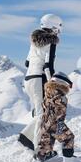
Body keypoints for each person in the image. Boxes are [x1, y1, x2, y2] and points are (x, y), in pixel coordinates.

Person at [18, 14, 62, 151]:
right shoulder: (52, 41)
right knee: (42, 115)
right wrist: (52, 84)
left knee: (41, 111)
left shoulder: (34, 41)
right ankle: (40, 150)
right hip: (39, 79)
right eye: (58, 27)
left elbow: (26, 63)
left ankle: (26, 138)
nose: (59, 30)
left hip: (28, 79)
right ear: (53, 26)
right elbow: (48, 66)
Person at [33, 72, 78, 162]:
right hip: (56, 122)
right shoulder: (60, 95)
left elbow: (45, 106)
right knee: (69, 138)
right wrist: (59, 124)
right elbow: (59, 111)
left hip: (46, 122)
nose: (67, 88)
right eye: (66, 85)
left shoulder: (48, 92)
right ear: (62, 83)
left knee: (46, 143)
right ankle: (69, 160)